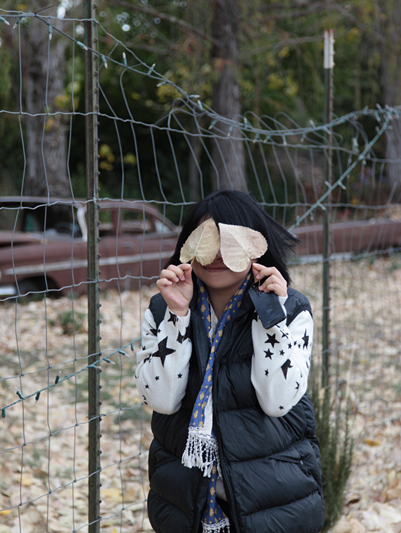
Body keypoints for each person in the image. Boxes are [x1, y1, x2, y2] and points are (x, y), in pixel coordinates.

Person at [135, 190, 324, 533]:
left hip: (275, 503)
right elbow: (161, 400)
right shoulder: (162, 310)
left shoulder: (292, 310)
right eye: (207, 240)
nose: (217, 255)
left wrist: (271, 316)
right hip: (186, 504)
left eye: (230, 242)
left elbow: (278, 400)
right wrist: (177, 316)